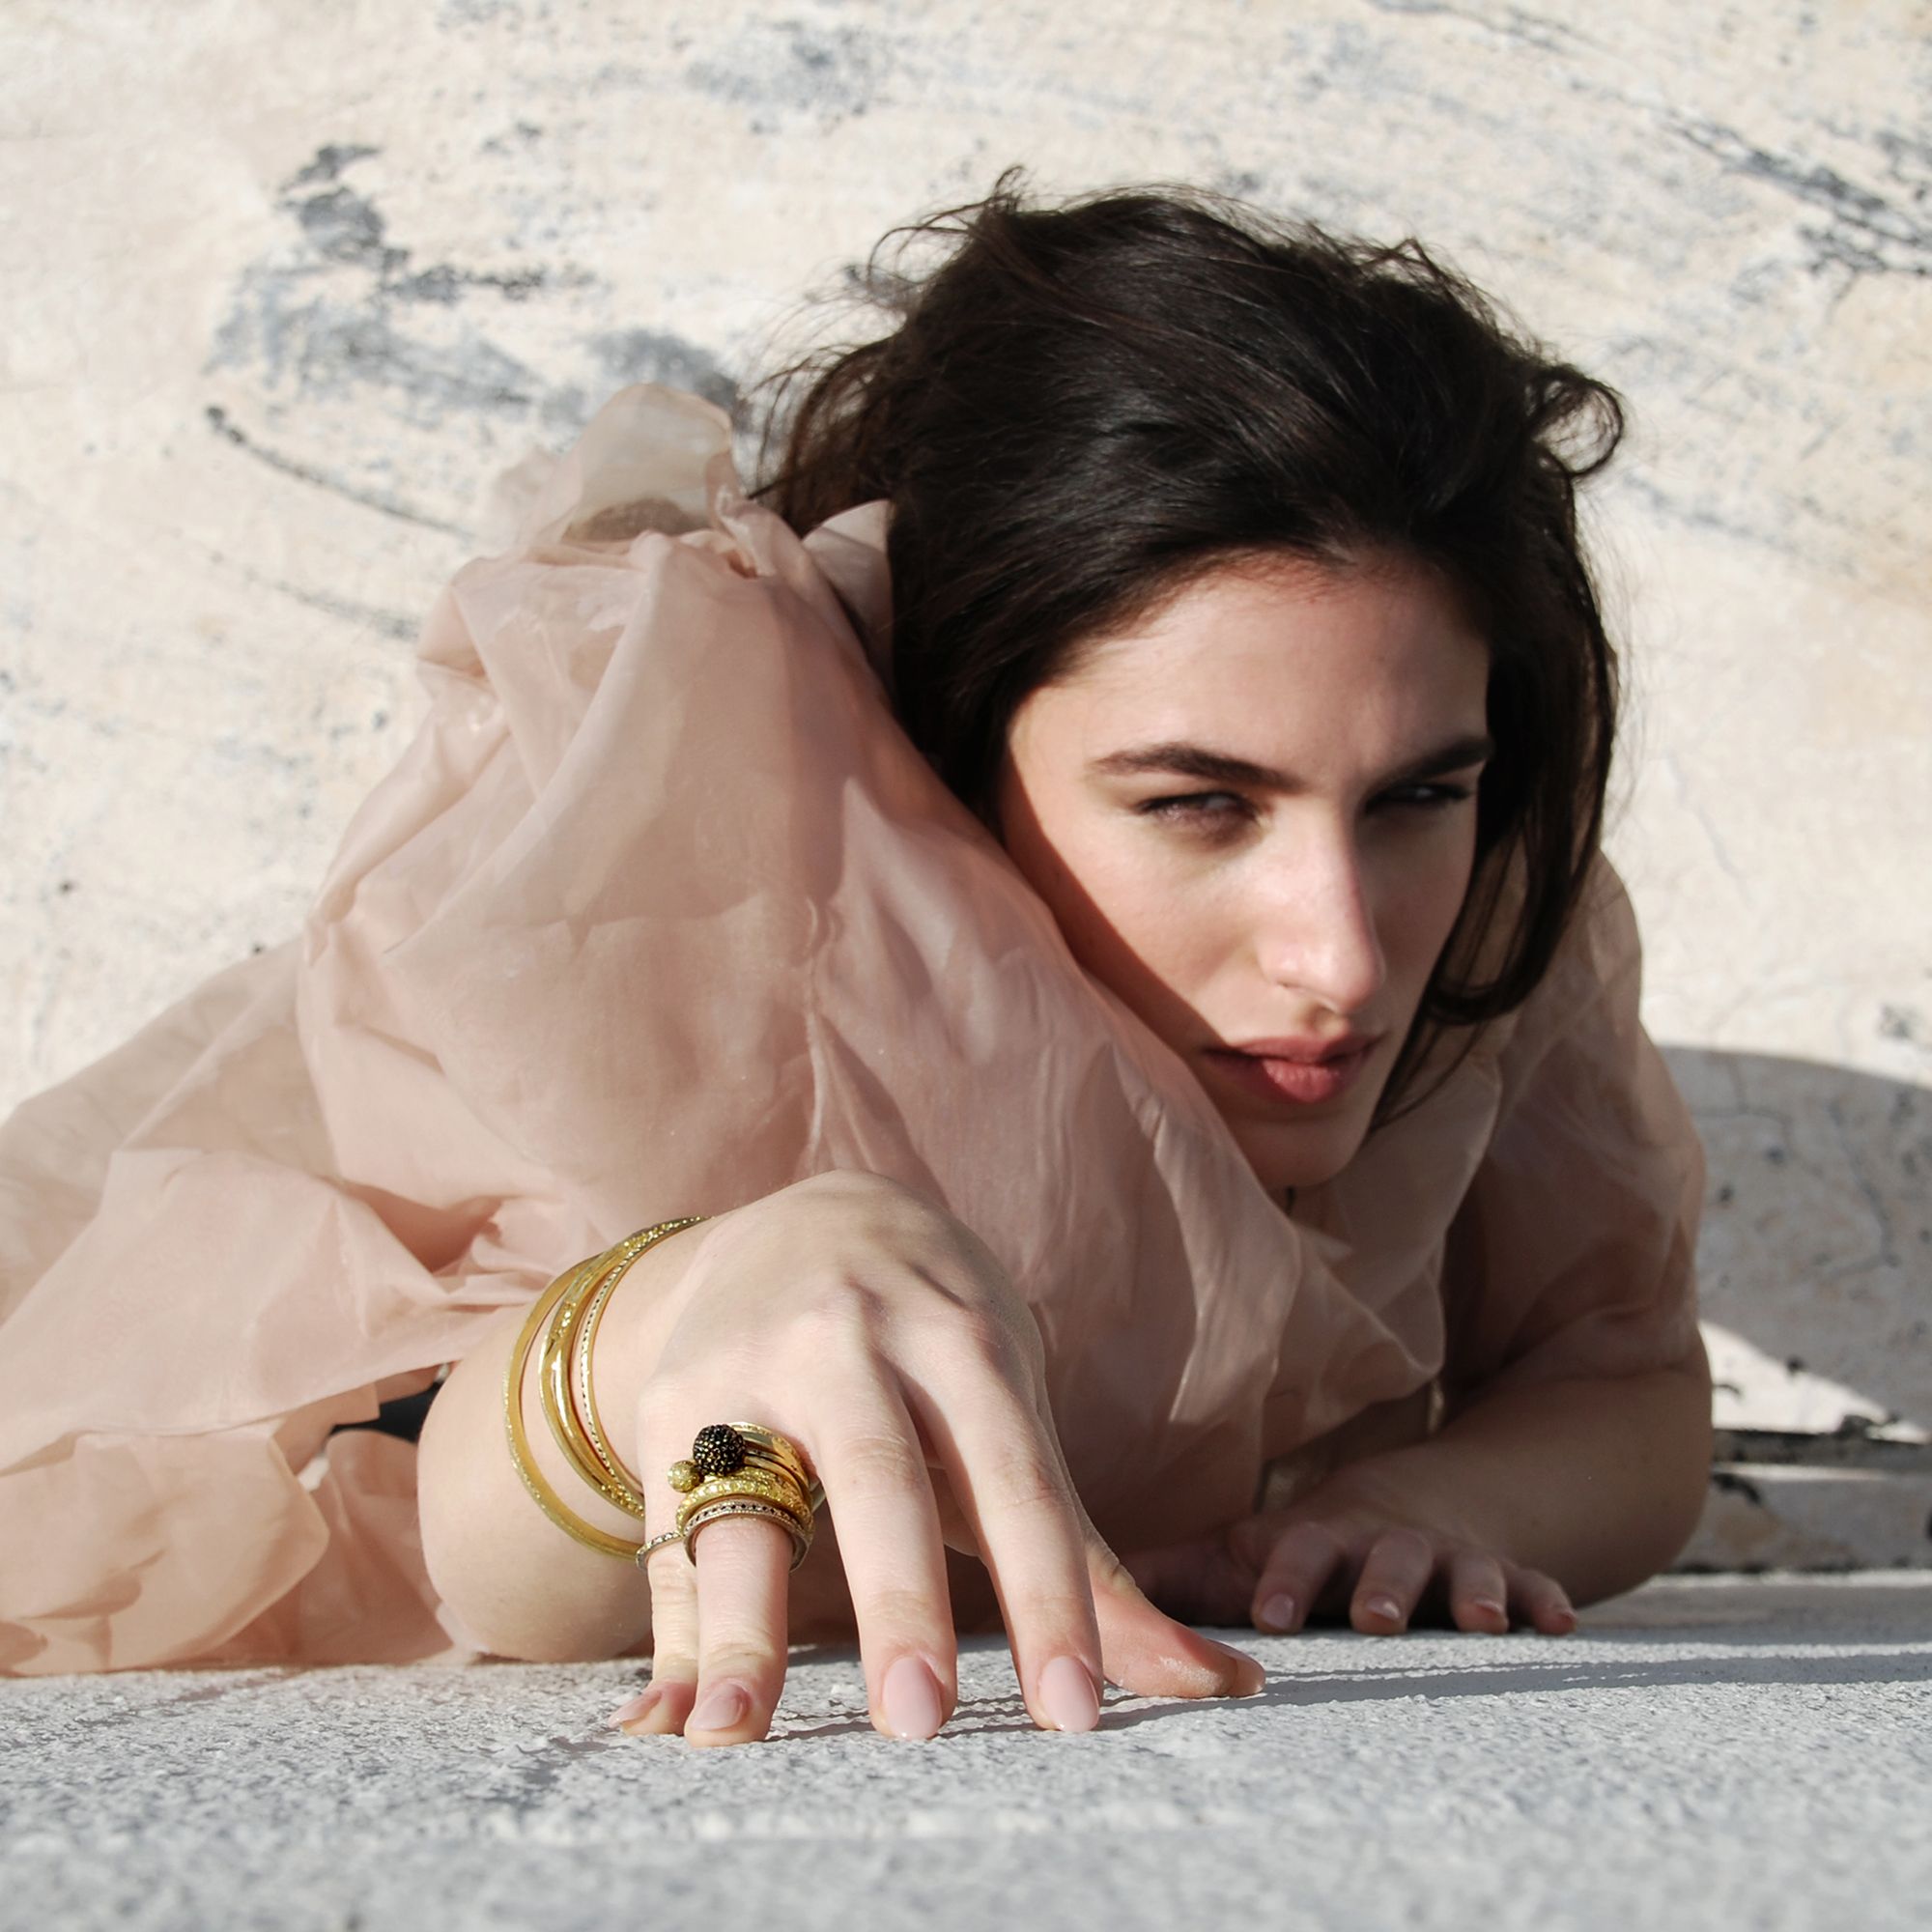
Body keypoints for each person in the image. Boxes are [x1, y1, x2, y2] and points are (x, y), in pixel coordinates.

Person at [0, 178, 1712, 1747]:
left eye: (1418, 793)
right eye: (1198, 804)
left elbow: (1621, 1384)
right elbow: (455, 1535)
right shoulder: (681, 923)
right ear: (945, 762)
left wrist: (1433, 1505)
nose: (1342, 953)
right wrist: (668, 1321)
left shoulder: (1487, 906)